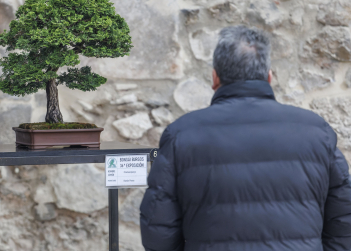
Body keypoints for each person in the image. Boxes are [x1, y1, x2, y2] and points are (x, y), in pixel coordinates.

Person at [140, 25, 351, 251]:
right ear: (269, 77)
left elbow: (157, 227)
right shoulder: (317, 132)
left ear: (215, 77)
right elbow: (344, 217)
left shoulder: (181, 135)